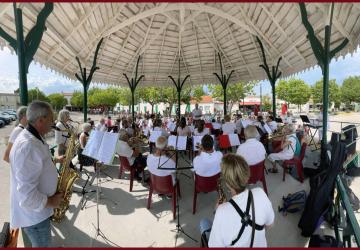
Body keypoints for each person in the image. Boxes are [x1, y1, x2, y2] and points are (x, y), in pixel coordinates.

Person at [10, 101, 65, 247]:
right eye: (51, 119)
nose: (53, 122)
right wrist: (52, 202)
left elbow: (37, 164)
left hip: (39, 214)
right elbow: (27, 196)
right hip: (35, 218)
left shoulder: (33, 138)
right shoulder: (28, 146)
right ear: (41, 120)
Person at [199, 154, 274, 247]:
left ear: (227, 184)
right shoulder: (260, 193)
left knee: (204, 222)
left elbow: (214, 246)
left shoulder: (221, 212)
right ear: (247, 176)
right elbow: (270, 225)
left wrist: (217, 211)